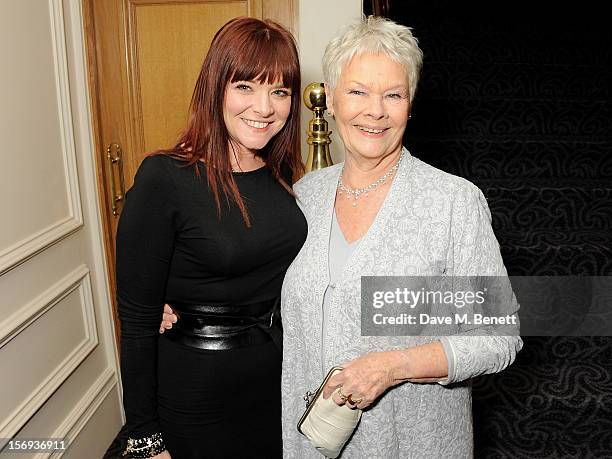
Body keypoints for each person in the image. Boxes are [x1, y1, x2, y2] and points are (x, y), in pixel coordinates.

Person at [278, 16, 522, 457]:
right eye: (358, 92)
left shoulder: (452, 203)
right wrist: (179, 300)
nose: (375, 110)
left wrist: (394, 366)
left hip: (411, 443)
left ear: (410, 105)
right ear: (330, 100)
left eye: (393, 95)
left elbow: (498, 338)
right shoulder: (303, 197)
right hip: (308, 444)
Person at [116, 17, 306, 459]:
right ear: (215, 87)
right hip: (197, 394)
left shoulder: (281, 176)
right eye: (245, 87)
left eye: (279, 92)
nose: (264, 107)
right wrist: (145, 438)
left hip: (274, 383)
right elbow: (139, 323)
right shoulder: (165, 177)